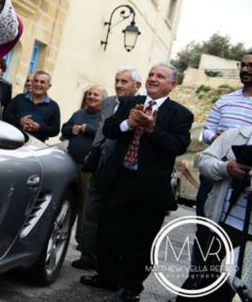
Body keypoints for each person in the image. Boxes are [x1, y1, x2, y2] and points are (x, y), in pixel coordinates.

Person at [81, 63, 194, 302]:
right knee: (109, 230)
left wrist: (152, 129)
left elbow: (177, 146)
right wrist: (128, 124)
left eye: (160, 76)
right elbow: (110, 129)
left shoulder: (181, 114)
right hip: (120, 178)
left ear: (172, 85)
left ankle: (132, 287)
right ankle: (106, 277)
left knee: (140, 240)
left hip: (150, 188)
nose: (153, 78)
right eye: (151, 74)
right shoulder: (131, 102)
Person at [183, 51, 252, 292]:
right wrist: (218, 137)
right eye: (242, 65)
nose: (245, 69)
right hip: (217, 172)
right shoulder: (225, 100)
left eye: (250, 65)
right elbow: (207, 133)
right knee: (205, 231)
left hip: (245, 182)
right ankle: (195, 283)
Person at [73, 66, 142, 271]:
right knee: (91, 210)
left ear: (136, 86)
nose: (119, 85)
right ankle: (87, 254)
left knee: (113, 215)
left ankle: (107, 259)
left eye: (124, 81)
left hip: (122, 169)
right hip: (100, 163)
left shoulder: (142, 105)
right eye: (117, 80)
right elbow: (102, 132)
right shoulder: (108, 102)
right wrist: (93, 153)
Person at [192, 125, 252, 301]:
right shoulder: (238, 135)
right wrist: (226, 168)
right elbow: (203, 161)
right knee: (210, 287)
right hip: (227, 227)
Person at [62, 84, 106, 247]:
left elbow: (105, 134)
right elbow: (64, 129)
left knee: (85, 204)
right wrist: (71, 129)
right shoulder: (78, 114)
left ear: (103, 99)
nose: (92, 96)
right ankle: (63, 234)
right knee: (68, 199)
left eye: (96, 94)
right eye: (90, 94)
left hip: (88, 167)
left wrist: (88, 129)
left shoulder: (104, 117)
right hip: (70, 162)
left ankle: (82, 241)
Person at [3, 70, 60, 142]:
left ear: (49, 86)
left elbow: (55, 130)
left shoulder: (53, 106)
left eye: (42, 82)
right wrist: (19, 121)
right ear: (32, 83)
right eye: (36, 81)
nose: (38, 84)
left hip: (35, 147)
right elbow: (5, 116)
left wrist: (39, 128)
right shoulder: (19, 98)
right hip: (12, 141)